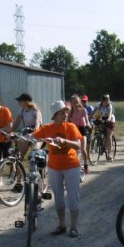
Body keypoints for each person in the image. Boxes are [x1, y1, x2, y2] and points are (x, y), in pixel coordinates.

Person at [34, 101, 85, 238]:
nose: (66, 114)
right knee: (58, 198)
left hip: (71, 166)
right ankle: (62, 225)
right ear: (55, 115)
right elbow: (33, 137)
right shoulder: (47, 128)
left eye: (66, 112)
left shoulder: (71, 127)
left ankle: (73, 227)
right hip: (54, 168)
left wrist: (65, 141)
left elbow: (78, 145)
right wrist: (17, 137)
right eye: (63, 112)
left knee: (73, 197)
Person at [12, 93, 42, 160]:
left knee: (35, 154)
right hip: (27, 131)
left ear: (26, 102)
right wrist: (10, 131)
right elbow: (16, 123)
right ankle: (17, 165)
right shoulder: (22, 110)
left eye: (20, 101)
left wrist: (34, 132)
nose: (18, 102)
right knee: (20, 153)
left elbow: (37, 123)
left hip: (37, 132)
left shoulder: (35, 110)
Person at [68, 95, 91, 172]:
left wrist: (88, 124)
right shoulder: (70, 113)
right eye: (74, 102)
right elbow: (67, 122)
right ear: (71, 103)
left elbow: (87, 120)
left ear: (79, 102)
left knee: (83, 149)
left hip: (82, 130)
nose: (75, 104)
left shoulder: (83, 110)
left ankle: (85, 164)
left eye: (77, 102)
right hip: (74, 131)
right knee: (75, 149)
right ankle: (75, 165)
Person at [93, 94, 116, 161]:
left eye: (108, 100)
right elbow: (93, 112)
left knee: (108, 136)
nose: (108, 102)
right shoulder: (99, 105)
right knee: (97, 129)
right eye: (106, 101)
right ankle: (99, 141)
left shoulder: (109, 106)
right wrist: (89, 117)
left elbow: (110, 114)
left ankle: (109, 154)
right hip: (102, 118)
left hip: (110, 119)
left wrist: (108, 119)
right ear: (102, 101)